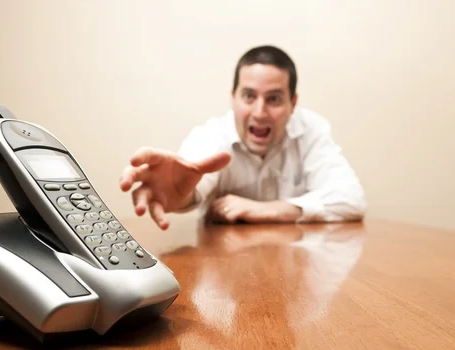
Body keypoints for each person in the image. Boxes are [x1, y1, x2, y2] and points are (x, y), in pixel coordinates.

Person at [119, 45, 366, 230]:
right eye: (249, 96)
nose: (259, 112)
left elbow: (351, 199)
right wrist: (180, 195)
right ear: (233, 97)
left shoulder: (310, 130)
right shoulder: (212, 135)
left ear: (293, 103)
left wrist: (264, 210)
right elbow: (190, 181)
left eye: (274, 99)